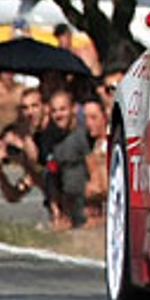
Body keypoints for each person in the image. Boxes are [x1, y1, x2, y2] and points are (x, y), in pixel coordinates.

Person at [37, 86, 91, 230]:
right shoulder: (51, 139)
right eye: (54, 111)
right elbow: (52, 176)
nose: (59, 115)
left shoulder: (84, 134)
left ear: (73, 109)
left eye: (63, 109)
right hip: (69, 205)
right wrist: (57, 213)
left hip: (89, 202)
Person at [0, 86, 44, 204]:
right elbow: (13, 196)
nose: (30, 112)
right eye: (25, 108)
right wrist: (0, 170)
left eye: (34, 106)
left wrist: (23, 144)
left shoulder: (52, 134)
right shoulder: (26, 139)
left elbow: (42, 165)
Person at [82, 96, 111, 226]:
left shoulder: (108, 146)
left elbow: (104, 187)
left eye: (93, 118)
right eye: (86, 118)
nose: (88, 123)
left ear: (105, 118)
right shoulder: (92, 145)